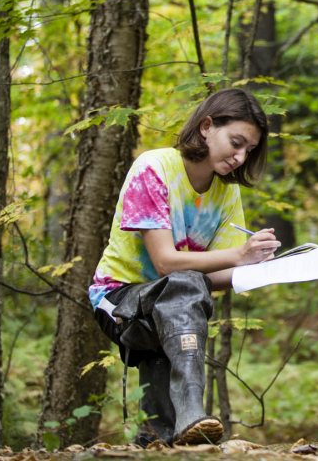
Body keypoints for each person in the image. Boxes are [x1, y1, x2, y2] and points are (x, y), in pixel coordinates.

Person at [88, 88, 281, 446]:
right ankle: (192, 409)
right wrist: (239, 255)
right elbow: (165, 262)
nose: (240, 157)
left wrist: (259, 268)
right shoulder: (154, 167)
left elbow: (212, 277)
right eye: (236, 143)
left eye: (249, 151)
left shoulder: (226, 192)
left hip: (175, 303)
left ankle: (164, 435)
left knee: (160, 436)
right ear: (207, 126)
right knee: (184, 284)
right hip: (118, 299)